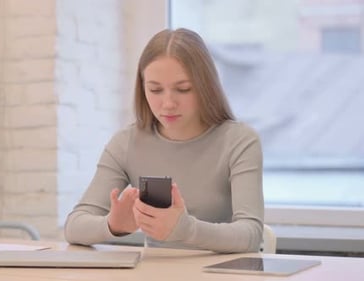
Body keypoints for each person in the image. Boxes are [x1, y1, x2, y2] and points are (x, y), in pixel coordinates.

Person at [63, 28, 264, 253]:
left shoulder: (239, 141)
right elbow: (74, 226)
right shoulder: (126, 143)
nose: (168, 103)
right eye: (155, 89)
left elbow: (251, 235)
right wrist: (112, 225)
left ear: (206, 86)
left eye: (183, 89)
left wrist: (187, 230)